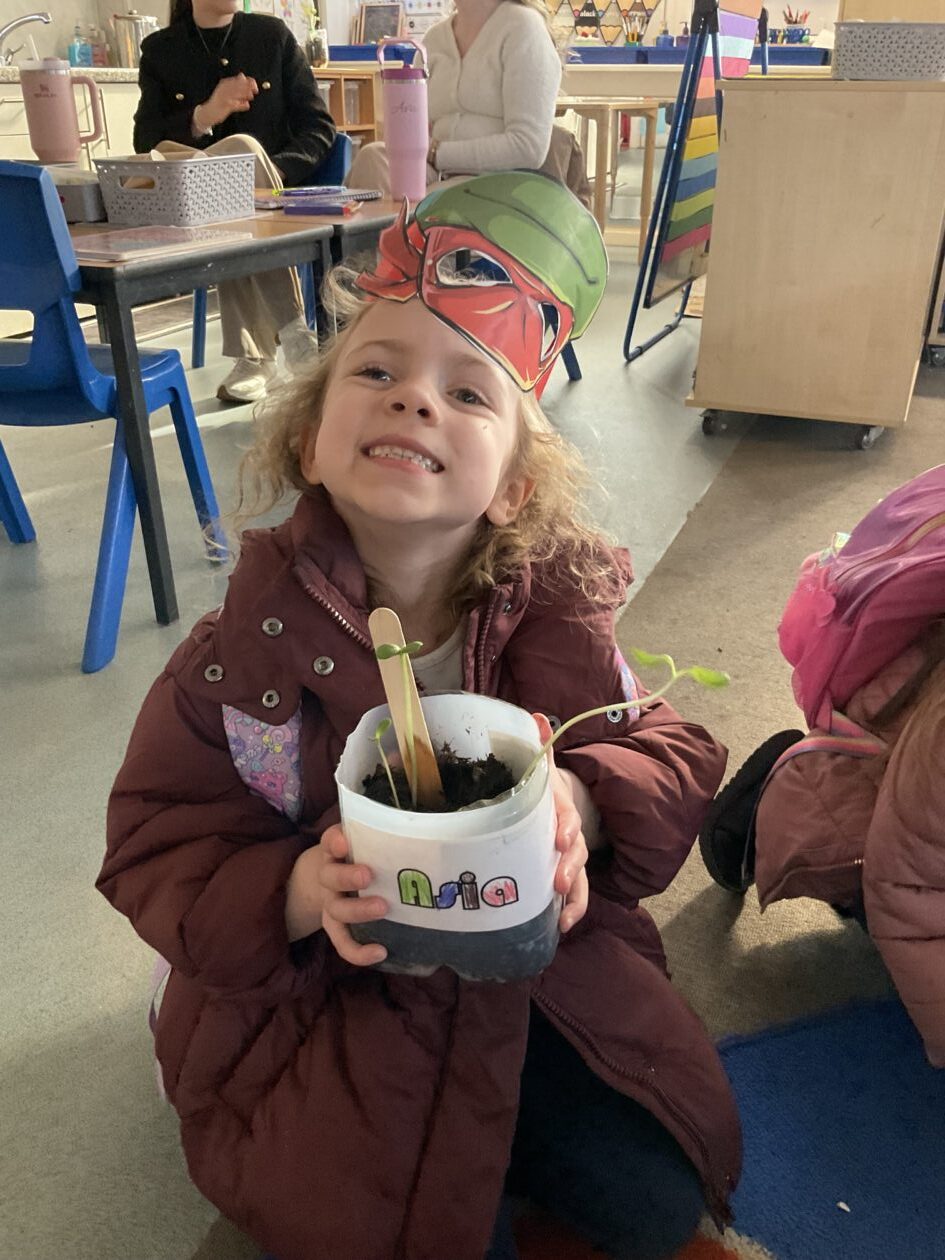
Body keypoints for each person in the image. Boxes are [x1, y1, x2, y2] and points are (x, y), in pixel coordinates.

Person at [98, 173, 741, 1260]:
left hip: (530, 974)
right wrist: (295, 897)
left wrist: (582, 797)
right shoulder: (239, 661)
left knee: (653, 1203)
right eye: (378, 371)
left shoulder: (558, 620)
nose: (414, 401)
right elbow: (157, 841)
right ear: (310, 440)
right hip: (332, 992)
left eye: (468, 393)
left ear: (513, 487)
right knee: (378, 1226)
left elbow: (669, 747)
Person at [700, 468, 945, 1070]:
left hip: (917, 818)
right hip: (878, 806)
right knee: (838, 846)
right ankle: (763, 803)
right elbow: (908, 891)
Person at [134, 0, 336, 404]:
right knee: (230, 180)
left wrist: (271, 173)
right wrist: (206, 114)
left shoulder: (271, 37)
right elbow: (145, 143)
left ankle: (255, 356)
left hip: (275, 193)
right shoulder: (160, 49)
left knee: (242, 164)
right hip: (196, 199)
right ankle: (294, 333)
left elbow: (319, 127)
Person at [346, 0, 564, 194]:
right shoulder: (434, 38)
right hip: (434, 173)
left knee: (432, 200)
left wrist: (437, 153)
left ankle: (400, 224)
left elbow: (528, 147)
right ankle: (388, 226)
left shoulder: (524, 27)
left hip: (496, 183)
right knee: (372, 158)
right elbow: (416, 126)